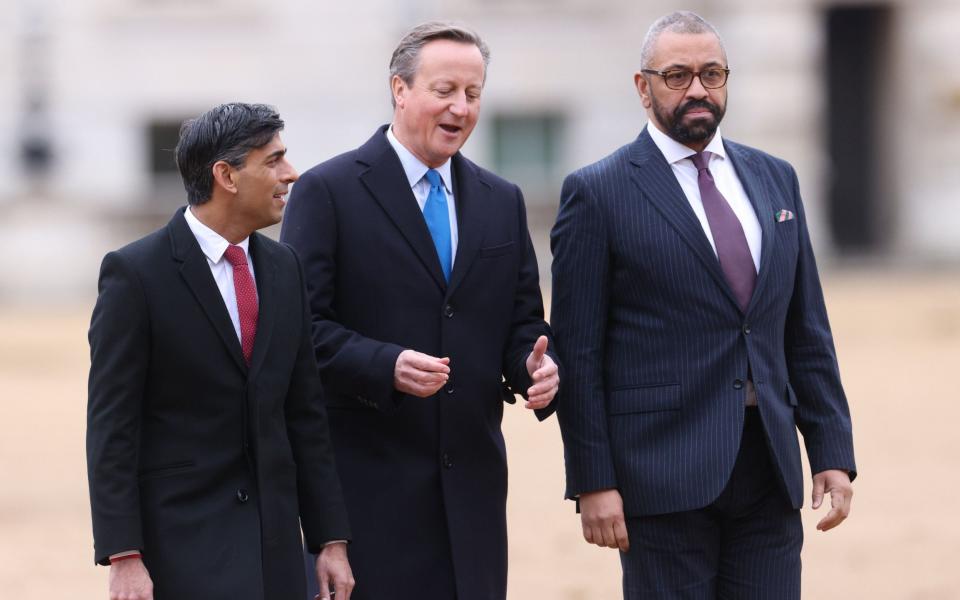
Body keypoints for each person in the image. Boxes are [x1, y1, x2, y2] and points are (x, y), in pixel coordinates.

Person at [550, 11, 856, 599]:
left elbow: (805, 328)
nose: (698, 89)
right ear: (643, 87)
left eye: (712, 74)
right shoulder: (597, 192)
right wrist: (593, 481)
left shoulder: (776, 179)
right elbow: (579, 353)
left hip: (768, 469)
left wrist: (831, 450)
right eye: (678, 75)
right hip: (658, 478)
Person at [280, 21, 560, 600]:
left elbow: (521, 324)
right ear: (399, 89)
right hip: (366, 494)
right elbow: (299, 330)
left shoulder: (501, 201)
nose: (461, 107)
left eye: (474, 94)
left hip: (474, 497)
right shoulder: (328, 192)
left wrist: (537, 367)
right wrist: (385, 364)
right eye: (445, 90)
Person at [86, 103, 354, 600]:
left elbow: (305, 414)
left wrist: (329, 540)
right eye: (273, 160)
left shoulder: (284, 267)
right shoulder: (135, 274)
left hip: (277, 554)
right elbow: (112, 426)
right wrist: (124, 555)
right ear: (226, 175)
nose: (290, 174)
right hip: (181, 552)